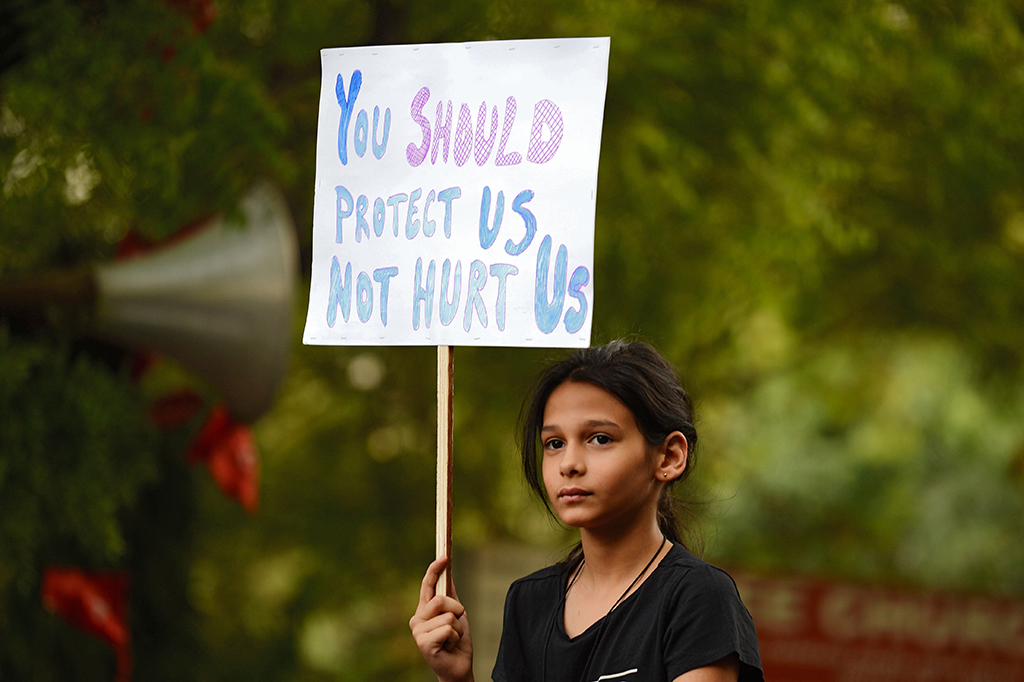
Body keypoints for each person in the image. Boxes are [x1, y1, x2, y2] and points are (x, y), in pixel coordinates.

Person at [410, 340, 763, 682]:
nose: (569, 464)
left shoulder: (697, 597)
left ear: (669, 456)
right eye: (554, 443)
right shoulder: (529, 602)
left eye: (600, 439)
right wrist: (455, 678)